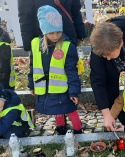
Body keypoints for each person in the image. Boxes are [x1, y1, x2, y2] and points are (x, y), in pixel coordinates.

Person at [28, 5, 82, 134]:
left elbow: (72, 71)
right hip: (47, 86)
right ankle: (61, 128)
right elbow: (32, 67)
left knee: (70, 110)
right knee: (56, 110)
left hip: (63, 87)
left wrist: (74, 91)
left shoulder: (67, 46)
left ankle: (78, 130)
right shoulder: (36, 44)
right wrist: (32, 85)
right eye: (51, 33)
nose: (56, 36)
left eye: (58, 32)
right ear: (44, 30)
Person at [18, 0, 86, 52]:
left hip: (43, 38)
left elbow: (25, 17)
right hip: (63, 36)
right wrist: (80, 35)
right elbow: (76, 12)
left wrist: (28, 46)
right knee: (69, 66)